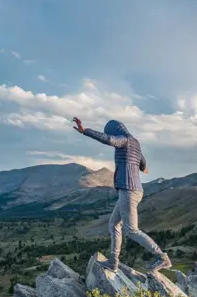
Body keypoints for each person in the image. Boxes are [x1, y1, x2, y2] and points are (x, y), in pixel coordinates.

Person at [72, 117, 172, 273]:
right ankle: (113, 262)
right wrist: (143, 167)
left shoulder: (124, 140)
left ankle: (162, 257)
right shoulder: (135, 143)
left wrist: (85, 131)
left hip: (129, 190)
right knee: (113, 224)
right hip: (132, 189)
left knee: (131, 230)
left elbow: (108, 139)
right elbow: (142, 159)